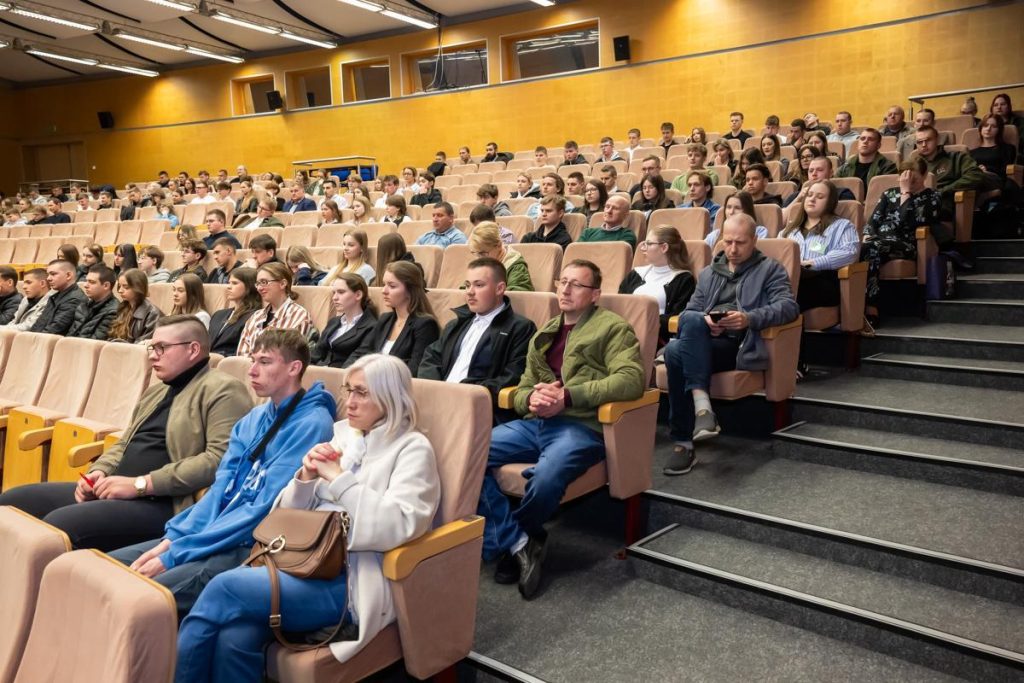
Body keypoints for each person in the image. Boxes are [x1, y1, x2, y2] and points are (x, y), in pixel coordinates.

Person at [175, 353, 438, 680]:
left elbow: (397, 525)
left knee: (224, 587)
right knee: (234, 638)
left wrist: (339, 479)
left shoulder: (412, 449)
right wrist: (305, 477)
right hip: (301, 561)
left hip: (350, 581)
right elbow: (286, 516)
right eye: (348, 390)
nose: (349, 402)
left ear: (390, 397)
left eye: (362, 393)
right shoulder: (344, 435)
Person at [109, 329, 336, 618]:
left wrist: (175, 555)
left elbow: (261, 510)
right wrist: (173, 540)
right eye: (253, 360)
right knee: (108, 569)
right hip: (210, 535)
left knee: (134, 599)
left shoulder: (313, 424)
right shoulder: (253, 419)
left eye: (265, 362)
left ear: (294, 368)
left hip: (248, 545)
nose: (252, 371)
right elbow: (220, 491)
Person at [0, 315, 253, 552]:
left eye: (162, 348)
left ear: (193, 349)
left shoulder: (223, 390)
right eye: (151, 348)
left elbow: (219, 459)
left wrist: (141, 484)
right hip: (116, 489)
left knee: (59, 525)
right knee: (13, 501)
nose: (152, 356)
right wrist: (99, 472)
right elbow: (125, 443)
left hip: (166, 503)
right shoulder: (157, 391)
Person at [479, 259, 644, 599]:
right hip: (536, 423)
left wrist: (567, 397)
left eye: (576, 284)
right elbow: (523, 389)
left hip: (580, 426)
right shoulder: (545, 333)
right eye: (562, 282)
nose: (566, 289)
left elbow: (631, 380)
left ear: (595, 294)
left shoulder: (613, 328)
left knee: (546, 476)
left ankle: (517, 537)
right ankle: (518, 542)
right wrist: (532, 399)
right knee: (467, 454)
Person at [663, 214, 799, 475]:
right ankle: (702, 409)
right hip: (704, 341)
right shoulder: (708, 273)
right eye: (728, 242)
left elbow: (788, 307)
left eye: (740, 242)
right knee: (689, 323)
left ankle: (684, 441)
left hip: (740, 345)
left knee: (673, 351)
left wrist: (749, 318)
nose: (733, 249)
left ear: (754, 240)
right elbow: (690, 311)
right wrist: (706, 321)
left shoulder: (770, 269)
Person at [419, 257, 536, 422]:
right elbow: (431, 357)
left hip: (478, 411)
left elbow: (512, 377)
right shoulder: (456, 324)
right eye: (467, 285)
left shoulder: (520, 328)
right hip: (438, 403)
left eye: (479, 285)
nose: (470, 291)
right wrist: (435, 389)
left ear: (500, 288)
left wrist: (463, 392)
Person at [862, 157, 941, 324]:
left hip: (906, 244)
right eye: (905, 178)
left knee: (871, 248)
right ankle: (857, 305)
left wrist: (905, 193)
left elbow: (902, 223)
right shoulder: (889, 194)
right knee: (863, 249)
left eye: (914, 179)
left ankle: (871, 307)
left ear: (924, 175)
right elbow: (873, 221)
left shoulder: (932, 197)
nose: (909, 183)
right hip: (878, 241)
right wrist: (866, 236)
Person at [346, 261, 440, 375]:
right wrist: (345, 372)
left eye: (392, 286)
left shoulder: (425, 325)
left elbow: (414, 369)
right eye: (384, 284)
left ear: (410, 290)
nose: (384, 291)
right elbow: (361, 352)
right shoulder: (385, 319)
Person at [779, 180, 860, 311]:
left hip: (823, 281)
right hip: (790, 279)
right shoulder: (789, 231)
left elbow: (849, 252)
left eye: (820, 197)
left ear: (830, 202)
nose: (812, 199)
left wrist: (811, 263)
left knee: (789, 292)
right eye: (809, 195)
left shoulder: (843, 226)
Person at [619, 226, 695, 345]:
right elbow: (619, 305)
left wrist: (642, 320)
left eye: (648, 243)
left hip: (656, 338)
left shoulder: (684, 279)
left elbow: (678, 318)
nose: (642, 248)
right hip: (623, 331)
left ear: (664, 247)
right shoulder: (635, 274)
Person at [914, 125, 986, 232]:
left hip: (944, 200)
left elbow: (975, 175)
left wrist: (945, 190)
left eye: (928, 140)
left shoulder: (956, 157)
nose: (924, 145)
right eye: (920, 142)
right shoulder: (913, 163)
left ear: (937, 140)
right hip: (918, 201)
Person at [236, 262, 315, 356]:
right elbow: (241, 354)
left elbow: (288, 356)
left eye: (264, 282)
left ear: (282, 284)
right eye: (257, 283)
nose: (259, 288)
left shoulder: (299, 315)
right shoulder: (256, 316)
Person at [311, 272, 378, 368]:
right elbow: (316, 354)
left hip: (342, 374)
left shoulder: (371, 327)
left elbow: (356, 361)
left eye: (341, 292)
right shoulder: (333, 322)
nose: (334, 298)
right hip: (318, 372)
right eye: (334, 293)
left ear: (358, 295)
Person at [208, 267, 261, 356]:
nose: (228, 287)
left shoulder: (254, 316)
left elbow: (244, 351)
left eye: (234, 283)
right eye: (229, 283)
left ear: (249, 286)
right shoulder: (218, 314)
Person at [468, 222, 534, 291]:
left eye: (483, 253)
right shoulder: (481, 264)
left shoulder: (516, 267)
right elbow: (465, 289)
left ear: (499, 245)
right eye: (476, 253)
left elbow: (517, 294)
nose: (479, 258)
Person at [30, 260, 88, 335]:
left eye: (53, 274)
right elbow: (39, 324)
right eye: (48, 274)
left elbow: (54, 329)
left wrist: (32, 339)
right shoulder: (55, 296)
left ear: (68, 275)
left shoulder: (74, 299)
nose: (48, 278)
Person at [108, 269, 162, 343]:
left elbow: (142, 344)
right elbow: (111, 336)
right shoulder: (122, 308)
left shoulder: (153, 314)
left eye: (126, 287)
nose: (120, 290)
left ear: (138, 287)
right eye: (119, 286)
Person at [67, 264, 119, 339]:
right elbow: (70, 335)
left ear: (106, 286)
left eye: (91, 282)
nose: (85, 285)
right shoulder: (83, 306)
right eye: (86, 281)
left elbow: (96, 342)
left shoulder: (113, 311)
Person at [782, 156, 856, 209]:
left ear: (830, 173)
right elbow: (781, 220)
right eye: (811, 171)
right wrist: (798, 199)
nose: (814, 174)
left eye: (819, 170)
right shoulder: (795, 196)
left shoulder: (843, 194)